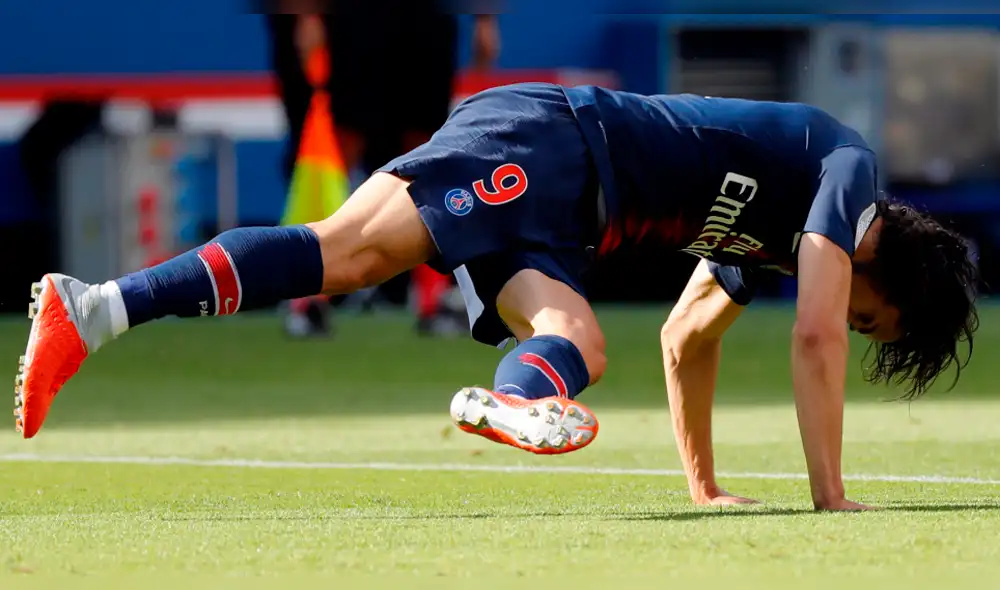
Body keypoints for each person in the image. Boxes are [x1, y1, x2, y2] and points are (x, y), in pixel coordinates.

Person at [14, 84, 978, 511]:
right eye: (870, 317)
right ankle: (95, 306)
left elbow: (685, 339)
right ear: (884, 270)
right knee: (347, 254)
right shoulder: (844, 170)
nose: (847, 326)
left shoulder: (772, 236)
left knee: (580, 343)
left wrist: (704, 487)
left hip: (563, 210)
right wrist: (830, 496)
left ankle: (517, 395)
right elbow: (812, 335)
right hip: (552, 142)